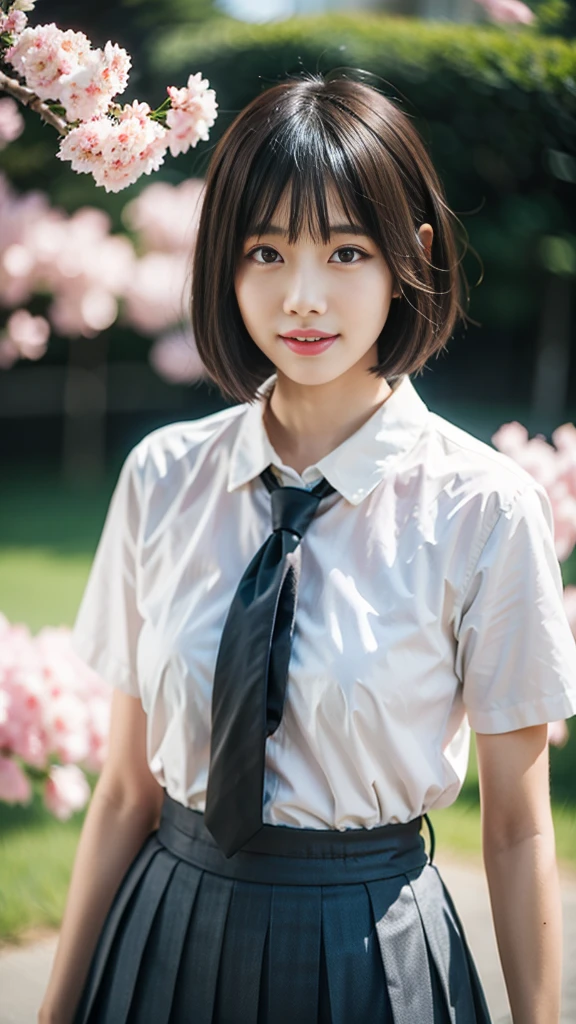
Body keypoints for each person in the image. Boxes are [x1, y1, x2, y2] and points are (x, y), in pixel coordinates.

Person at [39, 73, 576, 1024]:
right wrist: (56, 1008)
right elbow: (124, 791)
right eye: (267, 250)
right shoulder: (161, 477)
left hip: (370, 954)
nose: (303, 296)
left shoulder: (485, 510)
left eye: (345, 251)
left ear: (409, 256)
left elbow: (518, 828)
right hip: (160, 935)